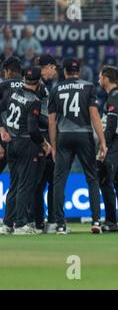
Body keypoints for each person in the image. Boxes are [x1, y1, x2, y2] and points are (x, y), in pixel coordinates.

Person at [48, 58, 107, 235]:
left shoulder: (56, 88)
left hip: (64, 135)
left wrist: (53, 145)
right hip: (84, 135)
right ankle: (96, 221)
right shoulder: (88, 86)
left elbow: (52, 121)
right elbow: (94, 115)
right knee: (92, 178)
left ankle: (60, 224)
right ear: (79, 72)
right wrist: (102, 141)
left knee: (59, 180)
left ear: (64, 72)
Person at [0, 67, 51, 235]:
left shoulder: (13, 93)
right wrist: (44, 144)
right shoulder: (34, 100)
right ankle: (21, 224)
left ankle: (7, 224)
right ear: (38, 82)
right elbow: (33, 129)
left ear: (24, 79)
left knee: (14, 184)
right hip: (26, 144)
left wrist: (3, 129)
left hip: (11, 143)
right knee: (25, 185)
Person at [97, 66, 118, 233]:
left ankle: (111, 221)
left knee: (105, 179)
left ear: (106, 78)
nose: (98, 80)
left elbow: (110, 126)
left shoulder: (113, 98)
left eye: (100, 76)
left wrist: (104, 146)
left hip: (115, 142)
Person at [33, 54, 59, 234]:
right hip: (41, 142)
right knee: (42, 184)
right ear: (48, 67)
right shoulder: (39, 86)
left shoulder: (43, 86)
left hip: (43, 140)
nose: (55, 71)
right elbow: (35, 117)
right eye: (54, 68)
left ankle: (43, 221)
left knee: (44, 184)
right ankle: (41, 221)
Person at [0, 57, 23, 174]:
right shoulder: (32, 86)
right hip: (26, 140)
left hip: (4, 138)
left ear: (8, 70)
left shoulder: (3, 86)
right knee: (23, 180)